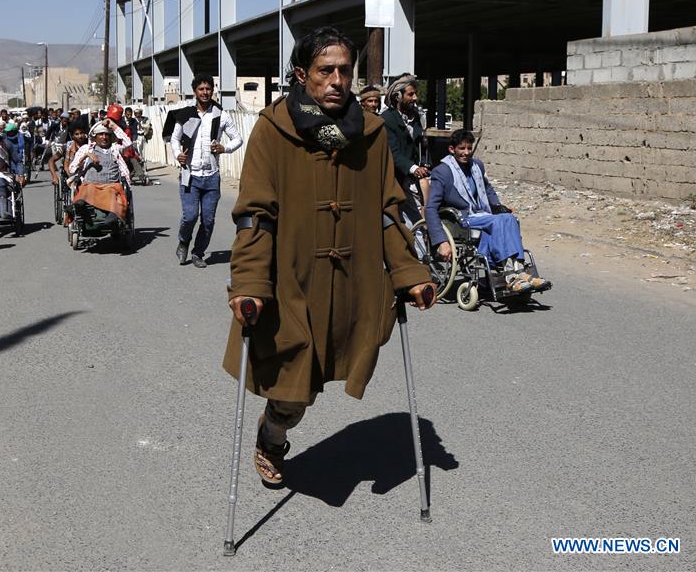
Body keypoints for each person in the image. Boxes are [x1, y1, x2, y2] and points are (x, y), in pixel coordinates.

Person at [222, 27, 435, 486]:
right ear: (302, 75)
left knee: (326, 372)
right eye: (326, 70)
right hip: (291, 282)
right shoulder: (273, 129)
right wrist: (249, 283)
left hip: (350, 284)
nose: (338, 80)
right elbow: (255, 216)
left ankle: (278, 425)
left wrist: (408, 273)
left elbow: (386, 214)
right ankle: (272, 437)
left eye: (345, 70)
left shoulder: (373, 134)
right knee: (293, 391)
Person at [425, 129, 550, 293]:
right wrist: (441, 241)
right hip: (462, 218)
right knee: (498, 221)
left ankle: (519, 271)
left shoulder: (477, 166)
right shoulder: (442, 171)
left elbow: (487, 188)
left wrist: (497, 206)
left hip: (482, 214)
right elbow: (431, 208)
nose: (466, 153)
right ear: (452, 149)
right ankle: (511, 276)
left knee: (508, 218)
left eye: (469, 148)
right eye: (461, 149)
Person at [170, 74, 243, 268]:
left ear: (213, 90)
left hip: (211, 177)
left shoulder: (220, 115)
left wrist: (224, 148)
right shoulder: (185, 114)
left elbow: (238, 139)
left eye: (208, 89)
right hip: (190, 175)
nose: (205, 92)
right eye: (201, 89)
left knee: (208, 220)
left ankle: (198, 253)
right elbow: (174, 139)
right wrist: (178, 154)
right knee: (190, 216)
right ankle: (183, 242)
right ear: (195, 91)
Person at [381, 74, 430, 224]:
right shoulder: (387, 119)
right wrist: (413, 168)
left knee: (421, 217)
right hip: (396, 179)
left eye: (415, 94)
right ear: (397, 96)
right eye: (410, 94)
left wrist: (425, 163)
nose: (415, 98)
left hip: (412, 179)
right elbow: (393, 152)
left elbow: (421, 146)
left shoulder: (415, 117)